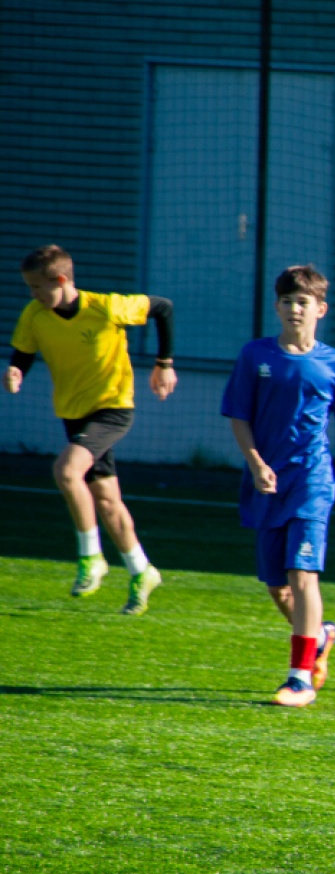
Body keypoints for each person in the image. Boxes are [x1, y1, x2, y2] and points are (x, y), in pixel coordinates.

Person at [221, 265, 335, 707]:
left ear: (321, 309)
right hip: (267, 482)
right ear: (277, 306)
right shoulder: (256, 356)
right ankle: (319, 637)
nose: (294, 309)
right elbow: (239, 417)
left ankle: (299, 678)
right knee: (277, 587)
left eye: (303, 302)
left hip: (312, 481)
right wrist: (257, 463)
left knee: (302, 575)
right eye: (287, 301)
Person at [7, 245, 173, 613]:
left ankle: (91, 557)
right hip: (74, 415)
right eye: (29, 287)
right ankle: (142, 570)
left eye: (37, 287)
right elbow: (24, 351)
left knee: (67, 472)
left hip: (112, 409)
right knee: (107, 500)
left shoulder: (106, 307)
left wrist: (164, 363)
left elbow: (162, 307)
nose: (33, 294)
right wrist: (17, 371)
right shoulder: (35, 315)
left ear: (61, 280)